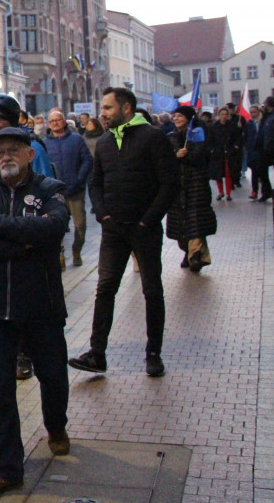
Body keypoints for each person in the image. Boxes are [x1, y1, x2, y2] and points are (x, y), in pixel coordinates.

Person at [0, 127, 70, 499]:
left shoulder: (50, 189)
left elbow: (53, 229)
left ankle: (55, 425)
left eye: (13, 150)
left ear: (29, 154)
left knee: (52, 376)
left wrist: (0, 227)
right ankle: (7, 469)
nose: (5, 157)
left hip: (42, 306)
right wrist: (23, 243)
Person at [69, 88, 178, 377]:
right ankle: (97, 353)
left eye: (107, 108)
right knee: (105, 289)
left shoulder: (153, 138)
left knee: (152, 290)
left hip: (145, 229)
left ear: (126, 108)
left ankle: (153, 353)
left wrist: (147, 221)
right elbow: (96, 183)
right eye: (101, 108)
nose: (101, 114)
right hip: (113, 229)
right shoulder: (105, 142)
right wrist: (103, 214)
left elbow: (169, 184)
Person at [167, 106, 217, 272]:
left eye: (180, 116)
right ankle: (188, 251)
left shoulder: (198, 135)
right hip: (177, 187)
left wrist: (185, 155)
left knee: (195, 221)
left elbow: (199, 157)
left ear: (188, 118)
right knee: (180, 224)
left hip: (196, 185)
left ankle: (196, 255)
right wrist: (175, 155)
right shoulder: (171, 136)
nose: (176, 119)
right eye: (175, 116)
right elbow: (165, 158)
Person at [43, 108, 93, 267]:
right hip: (55, 193)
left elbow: (87, 160)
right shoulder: (44, 143)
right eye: (52, 121)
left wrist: (79, 180)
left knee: (80, 225)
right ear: (48, 125)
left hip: (75, 190)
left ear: (64, 122)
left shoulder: (76, 140)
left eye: (58, 120)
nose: (55, 123)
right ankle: (60, 255)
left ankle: (76, 250)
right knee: (57, 227)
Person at [209, 107, 240, 201]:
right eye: (222, 114)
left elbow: (238, 138)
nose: (224, 116)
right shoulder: (214, 127)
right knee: (218, 174)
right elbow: (210, 140)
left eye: (226, 114)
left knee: (228, 174)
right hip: (218, 154)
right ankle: (221, 192)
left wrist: (235, 147)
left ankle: (228, 193)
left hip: (229, 153)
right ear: (219, 115)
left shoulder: (233, 126)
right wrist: (211, 149)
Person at [245, 104, 263, 199]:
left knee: (263, 173)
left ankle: (265, 191)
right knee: (254, 173)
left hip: (262, 151)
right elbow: (246, 137)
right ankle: (254, 191)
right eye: (251, 112)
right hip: (253, 152)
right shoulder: (249, 124)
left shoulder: (262, 122)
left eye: (254, 112)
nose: (252, 114)